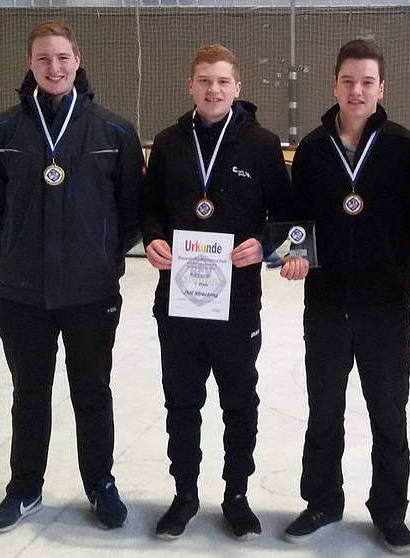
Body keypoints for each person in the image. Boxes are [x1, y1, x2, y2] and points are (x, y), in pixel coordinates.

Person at [0, 21, 144, 532]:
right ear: (30, 63)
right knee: (29, 394)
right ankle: (24, 488)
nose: (54, 67)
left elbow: (131, 211)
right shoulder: (0, 132)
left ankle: (101, 485)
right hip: (22, 293)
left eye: (63, 57)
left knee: (93, 392)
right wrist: (24, 247)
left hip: (91, 293)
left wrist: (97, 258)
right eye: (44, 58)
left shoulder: (114, 131)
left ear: (78, 59)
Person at [142, 44, 299, 541]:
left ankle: (236, 496)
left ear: (237, 88)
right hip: (179, 301)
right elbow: (148, 210)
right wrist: (152, 240)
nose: (213, 89)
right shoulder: (168, 143)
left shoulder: (262, 144)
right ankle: (184, 495)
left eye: (223, 81)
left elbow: (286, 220)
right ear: (190, 85)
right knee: (182, 402)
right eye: (204, 80)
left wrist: (265, 246)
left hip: (237, 303)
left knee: (239, 403)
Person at [282, 39, 410, 554]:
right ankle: (322, 500)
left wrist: (398, 284)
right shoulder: (314, 151)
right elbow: (297, 217)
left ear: (381, 88)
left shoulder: (405, 149)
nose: (357, 90)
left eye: (367, 81)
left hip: (385, 310)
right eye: (348, 80)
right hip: (324, 307)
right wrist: (295, 255)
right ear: (335, 85)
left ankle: (390, 510)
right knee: (324, 410)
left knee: (388, 412)